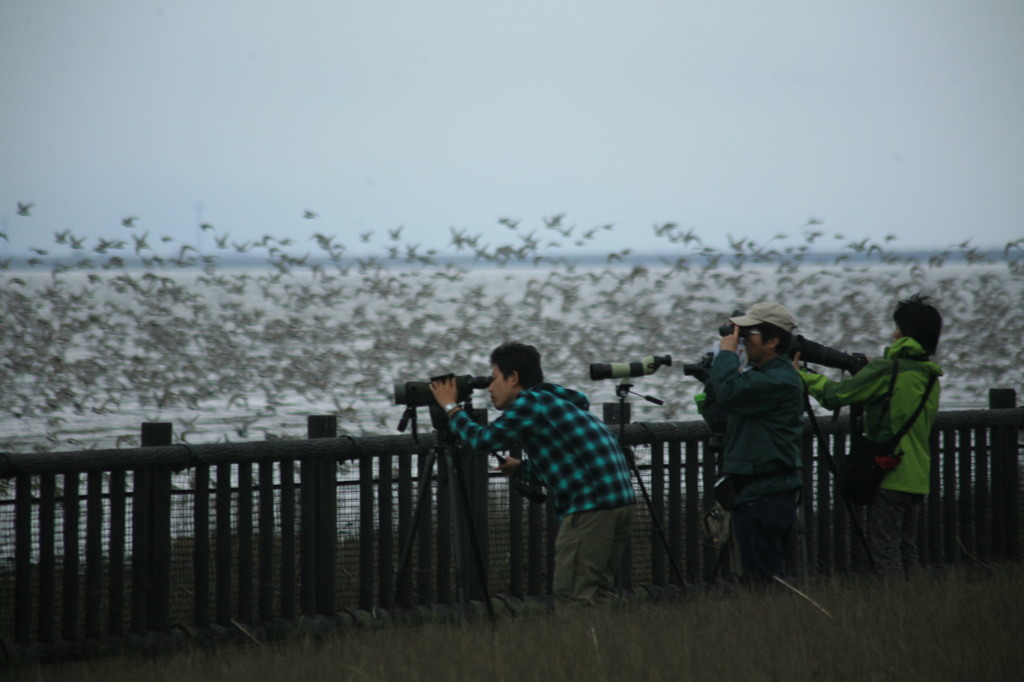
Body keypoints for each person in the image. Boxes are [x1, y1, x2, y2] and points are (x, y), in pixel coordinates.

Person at [429, 341, 636, 611]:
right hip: (618, 502)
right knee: (594, 592)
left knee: (573, 595)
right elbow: (567, 465)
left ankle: (585, 640)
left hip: (591, 506)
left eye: (494, 378)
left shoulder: (529, 403)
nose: (489, 388)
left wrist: (450, 408)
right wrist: (522, 468)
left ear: (513, 378)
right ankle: (608, 638)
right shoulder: (555, 400)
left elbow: (483, 440)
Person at [796, 293, 943, 578]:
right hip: (918, 476)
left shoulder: (889, 370)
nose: (893, 333)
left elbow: (835, 395)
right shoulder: (929, 375)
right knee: (908, 550)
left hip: (889, 473)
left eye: (897, 327)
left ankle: (895, 603)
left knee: (886, 552)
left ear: (904, 333)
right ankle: (919, 599)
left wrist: (801, 376)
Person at [708, 302, 804, 583]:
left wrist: (727, 354)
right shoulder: (770, 377)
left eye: (749, 334)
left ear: (772, 341)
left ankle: (771, 612)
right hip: (761, 493)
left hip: (764, 496)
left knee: (762, 582)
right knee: (762, 577)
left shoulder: (778, 381)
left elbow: (728, 393)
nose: (743, 341)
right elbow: (728, 402)